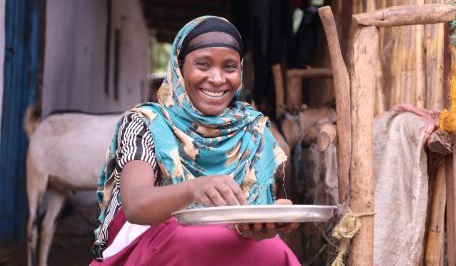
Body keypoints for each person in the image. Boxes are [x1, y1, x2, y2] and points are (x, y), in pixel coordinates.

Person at [90, 16, 300, 265]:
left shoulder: (252, 129)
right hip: (153, 248)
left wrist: (267, 223)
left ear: (241, 71)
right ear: (179, 68)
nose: (217, 78)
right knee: (185, 238)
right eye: (203, 65)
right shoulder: (146, 123)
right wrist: (193, 189)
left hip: (228, 248)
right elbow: (136, 204)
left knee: (275, 251)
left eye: (229, 67)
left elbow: (249, 218)